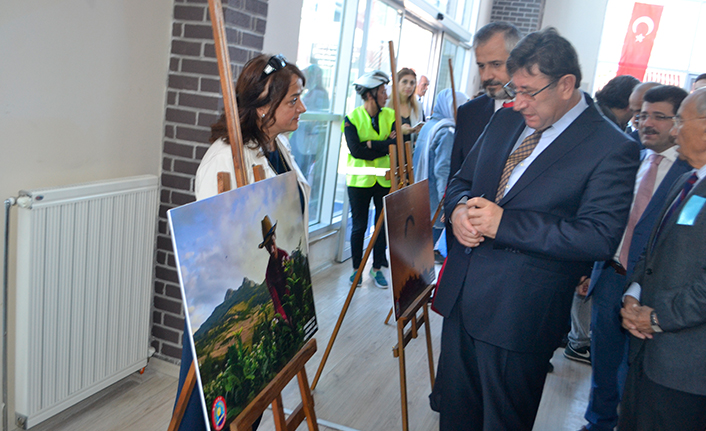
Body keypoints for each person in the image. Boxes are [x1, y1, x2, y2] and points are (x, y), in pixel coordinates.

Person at [434, 28, 640, 430]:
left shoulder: (611, 146)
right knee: (455, 418)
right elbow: (462, 180)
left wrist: (504, 224)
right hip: (462, 300)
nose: (518, 101)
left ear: (565, 85)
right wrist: (458, 210)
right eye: (515, 89)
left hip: (519, 317)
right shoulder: (506, 119)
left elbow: (598, 236)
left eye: (529, 91)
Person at [178, 54, 312, 431]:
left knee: (249, 411)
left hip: (272, 301)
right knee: (206, 417)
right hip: (223, 307)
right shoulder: (224, 160)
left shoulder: (276, 146)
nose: (302, 108)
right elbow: (218, 249)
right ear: (263, 107)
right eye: (293, 100)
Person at [575, 85, 690, 431]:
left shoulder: (690, 175)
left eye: (659, 117)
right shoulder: (629, 157)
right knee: (603, 360)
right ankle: (598, 423)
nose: (647, 123)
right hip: (609, 275)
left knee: (634, 368)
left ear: (679, 122)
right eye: (642, 115)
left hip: (650, 290)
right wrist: (587, 268)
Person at [619, 87, 706, 431]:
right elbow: (654, 247)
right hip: (649, 355)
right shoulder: (688, 181)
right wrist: (634, 294)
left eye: (681, 121)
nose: (674, 131)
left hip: (687, 371)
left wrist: (655, 318)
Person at [563, 74, 641, 367]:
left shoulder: (606, 123)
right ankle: (577, 341)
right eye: (640, 110)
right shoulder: (604, 129)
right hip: (577, 230)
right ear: (629, 104)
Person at [448, 22, 522, 182]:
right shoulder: (468, 113)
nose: (486, 76)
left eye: (496, 64)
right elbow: (456, 178)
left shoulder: (541, 113)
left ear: (519, 60)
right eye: (481, 66)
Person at [343, 70, 396, 288]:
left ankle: (376, 269)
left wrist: (371, 145)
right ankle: (356, 270)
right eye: (382, 91)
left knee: (381, 227)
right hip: (359, 181)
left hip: (384, 180)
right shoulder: (352, 118)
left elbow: (395, 144)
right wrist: (383, 145)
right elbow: (356, 151)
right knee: (359, 226)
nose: (386, 95)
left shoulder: (391, 116)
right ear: (370, 94)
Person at [413, 88, 469, 247]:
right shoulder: (447, 131)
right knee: (425, 247)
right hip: (434, 198)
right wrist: (446, 203)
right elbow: (443, 170)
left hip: (420, 193)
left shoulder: (430, 125)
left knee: (419, 245)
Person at [259, 215, 292, 324]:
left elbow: (291, 285)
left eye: (272, 243)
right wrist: (284, 317)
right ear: (265, 248)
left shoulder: (285, 257)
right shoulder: (269, 275)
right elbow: (276, 303)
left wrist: (290, 311)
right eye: (268, 247)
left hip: (293, 303)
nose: (272, 250)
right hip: (284, 314)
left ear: (275, 238)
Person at [388, 68, 423, 144]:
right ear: (396, 83)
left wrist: (419, 131)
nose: (408, 86)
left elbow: (419, 137)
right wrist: (399, 131)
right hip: (390, 149)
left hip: (409, 150)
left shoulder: (418, 106)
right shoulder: (386, 104)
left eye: (412, 83)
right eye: (405, 82)